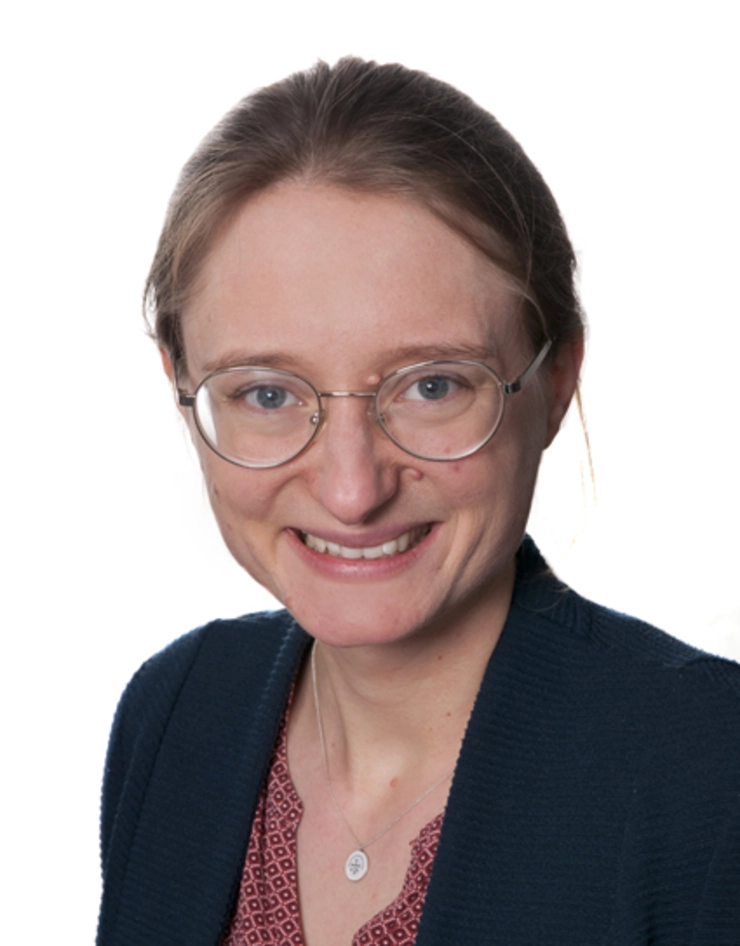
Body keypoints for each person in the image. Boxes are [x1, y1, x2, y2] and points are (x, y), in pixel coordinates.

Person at [97, 58, 740, 945]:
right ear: (180, 384)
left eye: (433, 386)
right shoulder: (177, 714)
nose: (352, 490)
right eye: (267, 393)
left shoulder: (712, 777)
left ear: (556, 380)